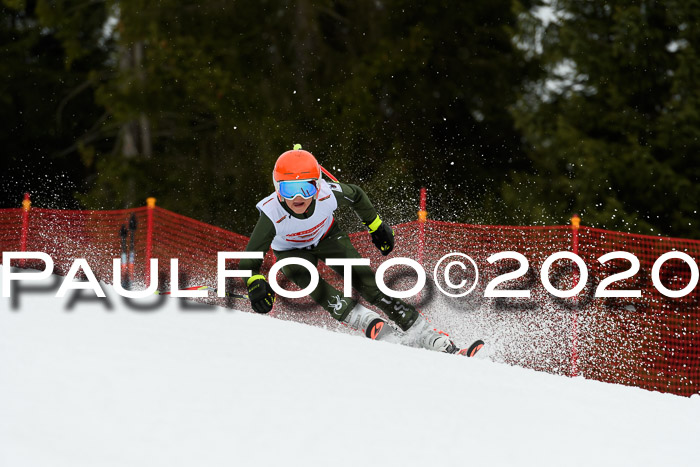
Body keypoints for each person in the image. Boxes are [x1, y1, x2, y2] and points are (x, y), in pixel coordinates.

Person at [239, 145, 480, 355]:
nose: (299, 198)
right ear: (277, 188)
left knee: (366, 282)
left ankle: (424, 332)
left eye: (307, 189)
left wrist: (376, 226)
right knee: (312, 282)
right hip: (291, 252)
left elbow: (356, 195)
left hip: (327, 237)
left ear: (317, 185)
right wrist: (255, 284)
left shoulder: (327, 194)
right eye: (289, 190)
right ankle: (365, 321)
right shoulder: (271, 214)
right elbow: (249, 260)